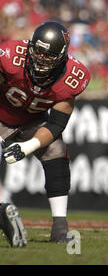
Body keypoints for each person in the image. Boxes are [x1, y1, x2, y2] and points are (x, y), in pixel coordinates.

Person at [0, 21, 90, 245]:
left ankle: (60, 227)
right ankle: (3, 210)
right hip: (1, 114)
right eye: (37, 51)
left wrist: (27, 146)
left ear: (62, 56)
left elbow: (57, 123)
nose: (40, 58)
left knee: (56, 149)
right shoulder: (11, 56)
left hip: (34, 120)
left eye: (48, 55)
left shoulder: (72, 76)